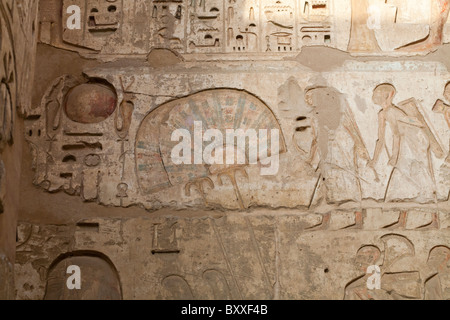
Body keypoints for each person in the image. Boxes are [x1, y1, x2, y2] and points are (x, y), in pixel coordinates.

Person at [369, 84, 442, 202]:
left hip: (413, 140)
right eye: (375, 93)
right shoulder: (382, 113)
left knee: (407, 166)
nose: (375, 95)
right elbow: (380, 140)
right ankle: (418, 193)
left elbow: (398, 134)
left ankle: (427, 192)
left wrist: (394, 156)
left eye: (378, 93)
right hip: (405, 141)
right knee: (402, 167)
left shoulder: (393, 111)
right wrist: (374, 160)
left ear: (388, 95)